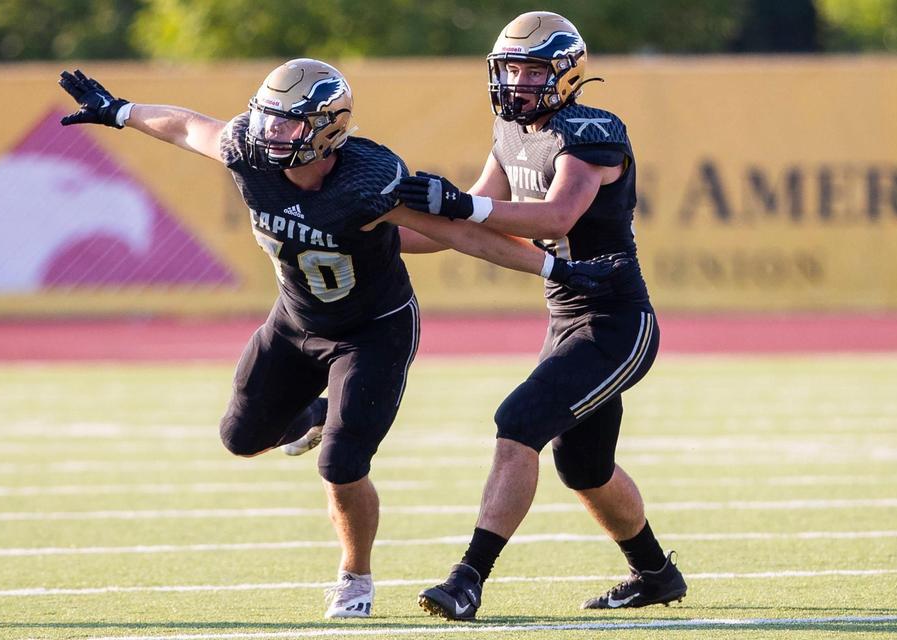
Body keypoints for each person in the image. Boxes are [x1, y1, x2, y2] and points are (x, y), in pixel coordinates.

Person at [57, 58, 626, 620]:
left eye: (288, 123)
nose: (271, 133)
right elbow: (187, 127)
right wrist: (121, 111)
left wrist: (555, 271)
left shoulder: (368, 177)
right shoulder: (248, 150)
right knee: (241, 438)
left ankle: (354, 577)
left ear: (328, 128)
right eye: (268, 118)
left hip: (371, 331)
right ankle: (313, 413)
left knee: (342, 462)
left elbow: (459, 234)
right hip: (295, 321)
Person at [394, 11, 686, 621]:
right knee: (584, 466)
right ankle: (656, 574)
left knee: (518, 421)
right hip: (565, 315)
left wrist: (463, 204)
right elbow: (464, 224)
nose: (517, 83)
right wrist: (376, 232)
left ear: (566, 73)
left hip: (614, 318)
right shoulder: (510, 130)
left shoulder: (592, 130)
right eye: (511, 70)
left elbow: (555, 218)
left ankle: (468, 578)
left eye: (531, 70)